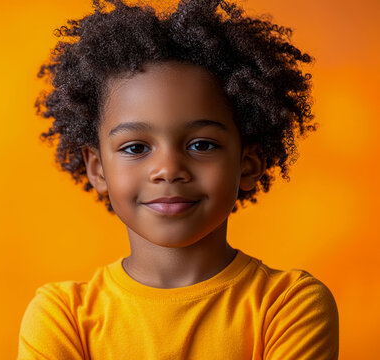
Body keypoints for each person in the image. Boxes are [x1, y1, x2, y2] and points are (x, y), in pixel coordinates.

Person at [18, 0, 339, 358]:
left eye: (202, 144)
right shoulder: (62, 317)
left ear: (248, 164)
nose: (169, 169)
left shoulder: (289, 306)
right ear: (97, 168)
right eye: (136, 147)